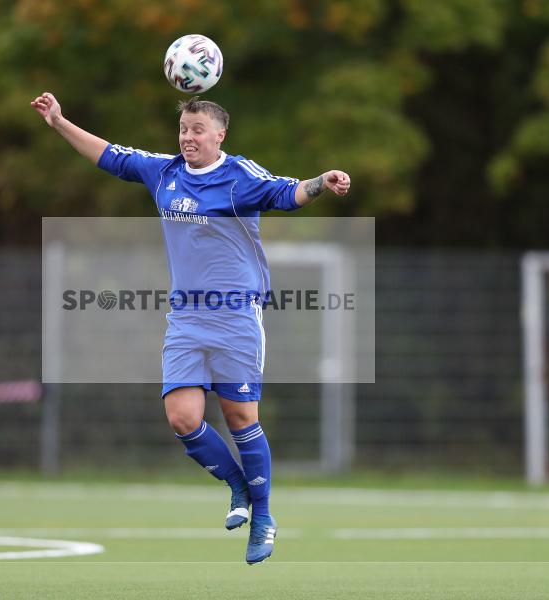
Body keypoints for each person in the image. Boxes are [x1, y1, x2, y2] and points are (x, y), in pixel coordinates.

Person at [31, 92, 350, 564]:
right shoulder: (164, 172)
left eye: (197, 130)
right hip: (186, 317)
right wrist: (59, 122)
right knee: (182, 418)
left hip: (237, 315)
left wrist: (322, 181)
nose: (187, 138)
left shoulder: (241, 176)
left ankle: (262, 518)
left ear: (220, 135)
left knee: (241, 418)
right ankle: (238, 486)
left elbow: (288, 193)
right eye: (183, 129)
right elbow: (108, 154)